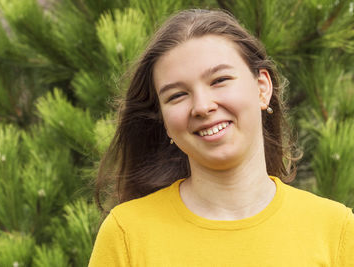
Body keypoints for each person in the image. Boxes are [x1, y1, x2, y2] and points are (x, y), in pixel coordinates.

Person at [89, 9, 354, 266]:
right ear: (165, 122)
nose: (202, 106)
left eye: (219, 80)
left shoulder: (335, 230)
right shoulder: (127, 234)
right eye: (177, 95)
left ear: (262, 88)